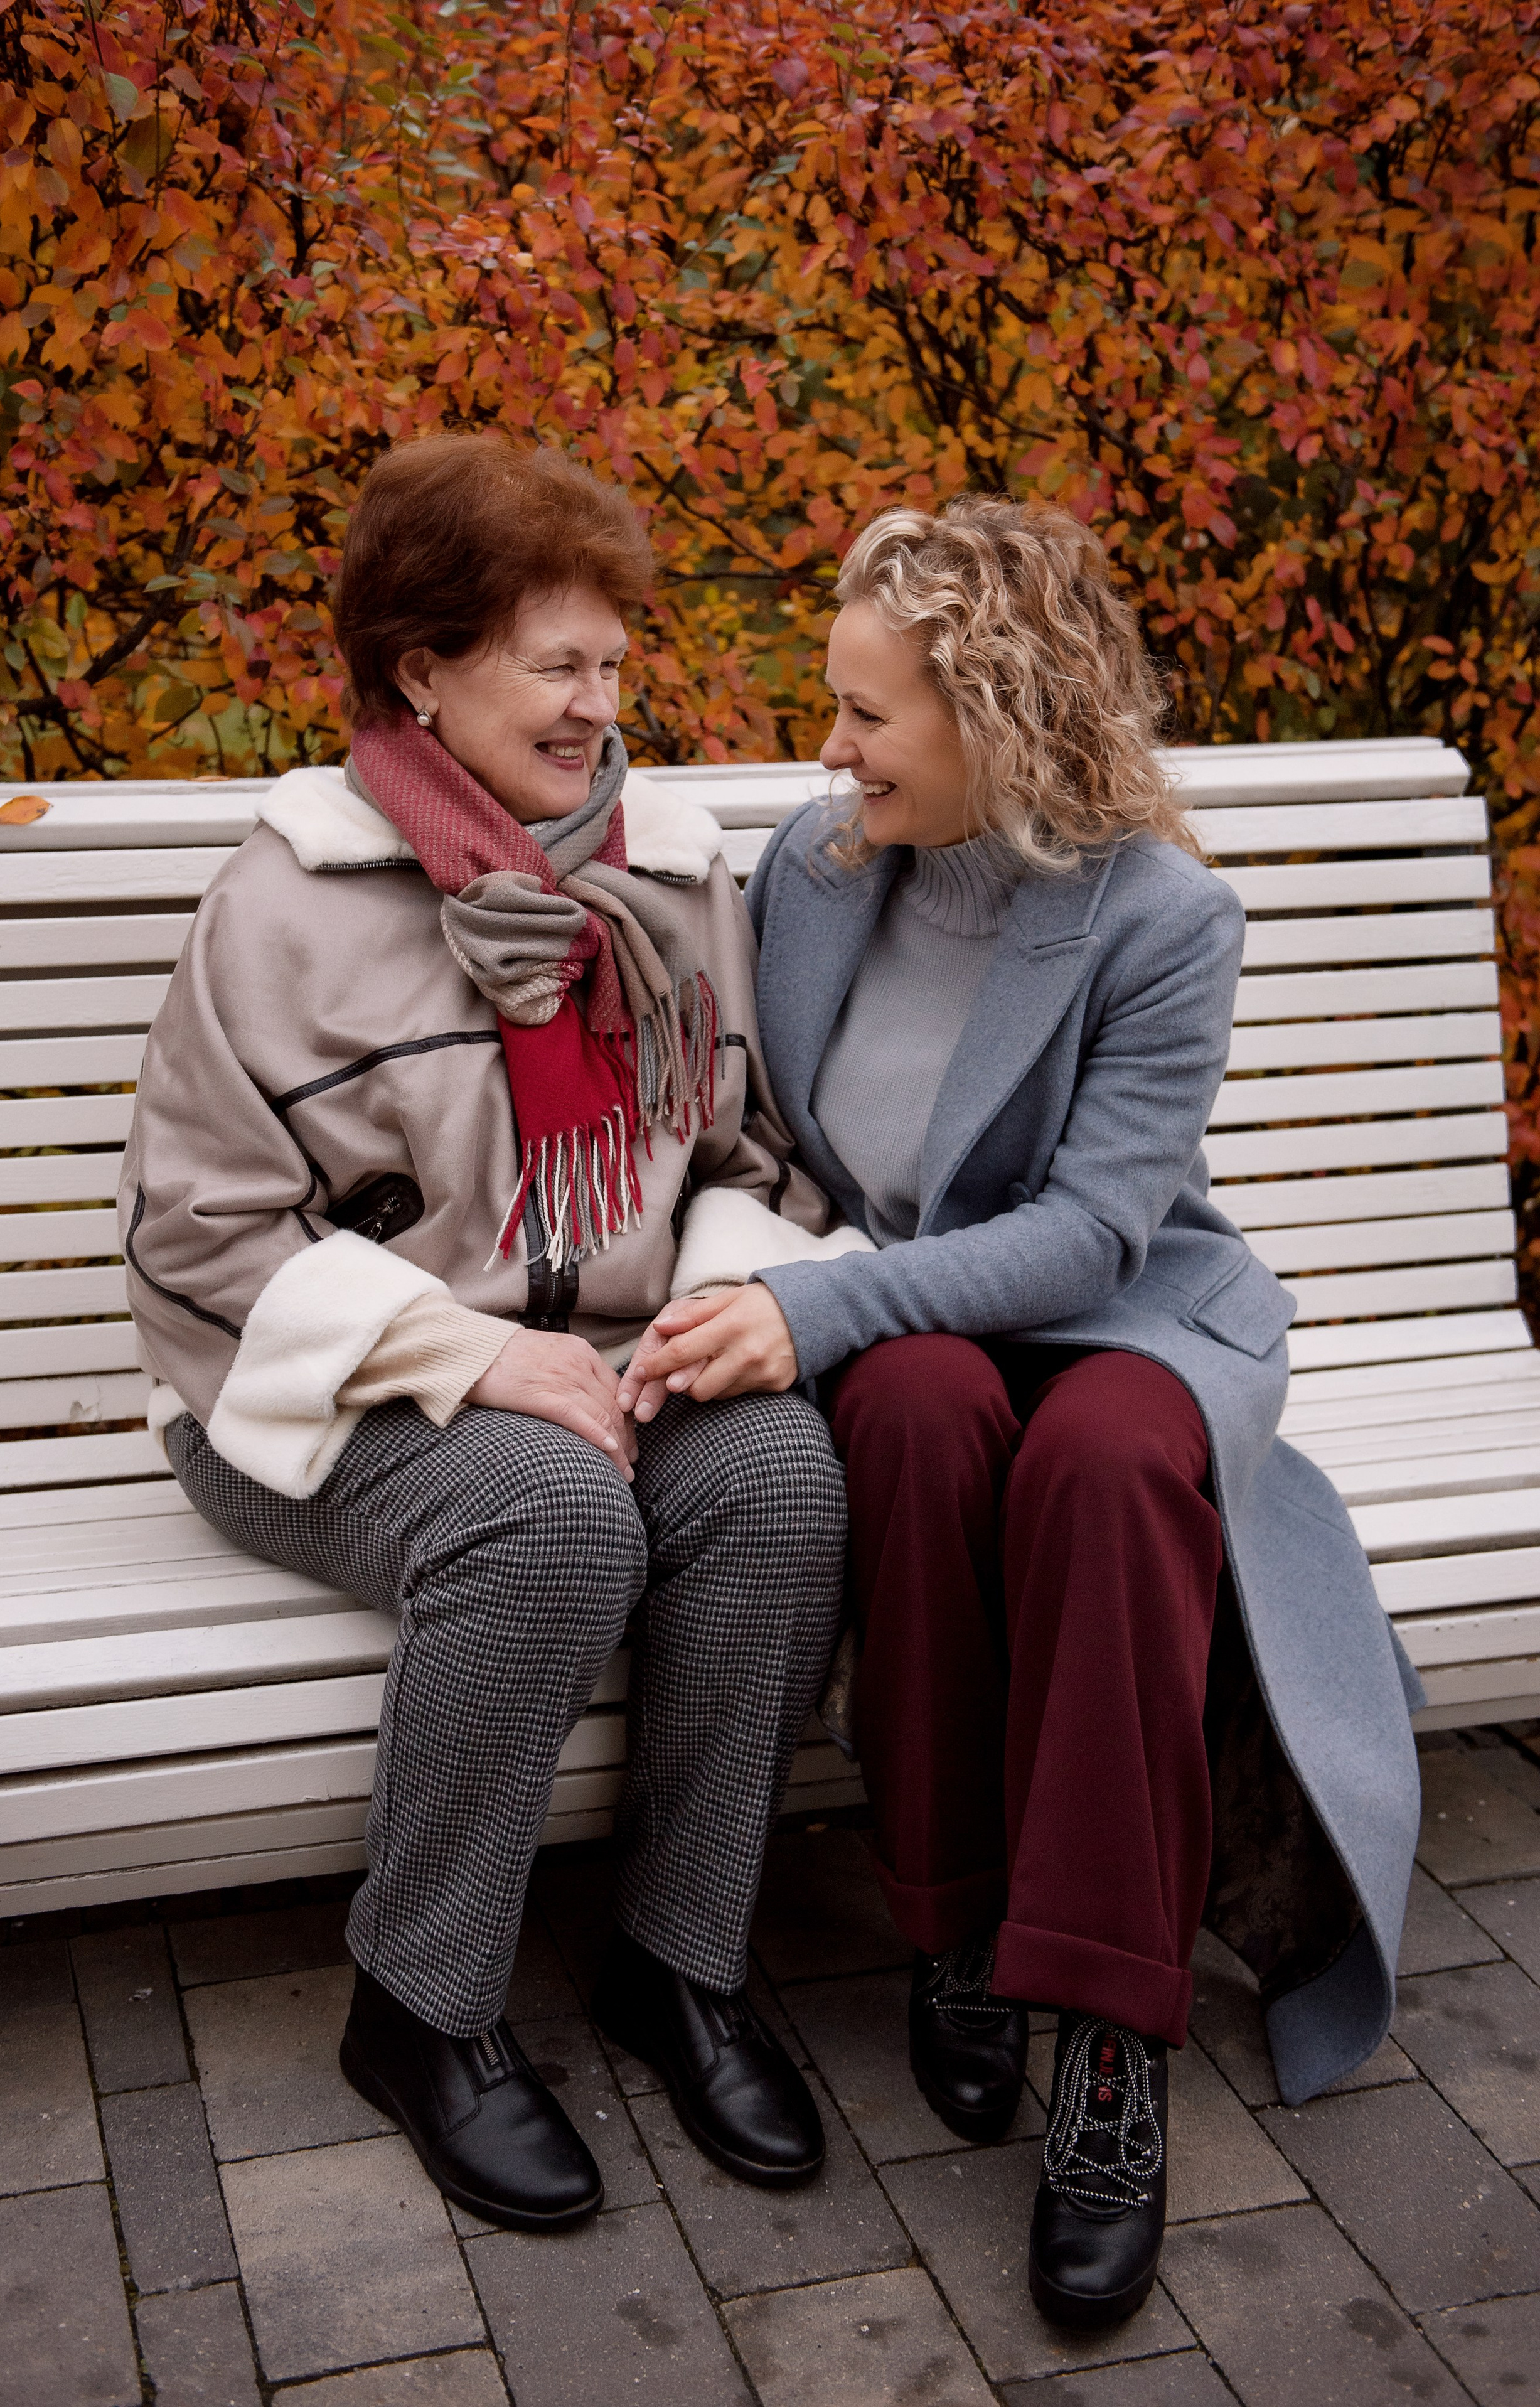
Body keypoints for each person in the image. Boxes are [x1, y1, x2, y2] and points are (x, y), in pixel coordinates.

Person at [621, 497, 1423, 2330]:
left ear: (994, 709)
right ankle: (959, 1929)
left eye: (864, 715)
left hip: (1120, 1312)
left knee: (1109, 1462)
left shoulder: (1162, 915)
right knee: (905, 1414)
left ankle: (1113, 2041)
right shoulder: (818, 876)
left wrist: (813, 1303)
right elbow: (745, 1121)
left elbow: (1087, 1229)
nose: (826, 751)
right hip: (916, 1324)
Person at [118, 435, 857, 2233]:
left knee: (775, 1473)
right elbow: (197, 1233)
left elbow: (745, 1155)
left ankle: (677, 1958)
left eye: (612, 663)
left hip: (617, 1358)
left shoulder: (674, 880)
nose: (597, 705)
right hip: (313, 1401)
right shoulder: (286, 896)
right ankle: (424, 2004)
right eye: (554, 663)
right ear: (421, 672)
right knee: (548, 1513)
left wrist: (717, 1299)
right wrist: (461, 1351)